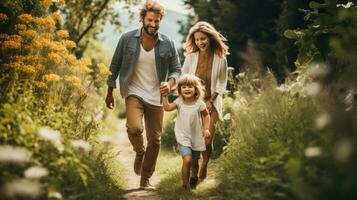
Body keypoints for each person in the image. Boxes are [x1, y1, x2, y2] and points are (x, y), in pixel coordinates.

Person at [105, 1, 181, 190]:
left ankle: (145, 178)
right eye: (149, 20)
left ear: (160, 21)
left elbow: (176, 69)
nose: (153, 24)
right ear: (142, 19)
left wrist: (169, 83)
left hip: (157, 96)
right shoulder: (127, 39)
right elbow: (114, 65)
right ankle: (140, 152)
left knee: (155, 140)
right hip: (133, 92)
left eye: (156, 21)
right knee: (134, 128)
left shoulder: (168, 43)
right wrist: (109, 90)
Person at [182, 21, 229, 181]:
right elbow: (184, 78)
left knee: (207, 139)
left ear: (210, 38)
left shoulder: (220, 58)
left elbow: (223, 82)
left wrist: (212, 99)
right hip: (193, 104)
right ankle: (193, 174)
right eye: (196, 39)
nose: (200, 42)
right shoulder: (191, 57)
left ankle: (205, 164)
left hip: (212, 104)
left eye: (203, 39)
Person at [161, 74, 211, 189]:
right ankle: (185, 184)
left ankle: (194, 177)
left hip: (196, 136)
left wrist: (206, 128)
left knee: (194, 162)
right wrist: (164, 97)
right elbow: (167, 108)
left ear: (196, 89)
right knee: (187, 160)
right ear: (179, 90)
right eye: (183, 87)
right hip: (182, 135)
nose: (187, 89)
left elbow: (206, 115)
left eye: (190, 86)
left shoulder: (199, 103)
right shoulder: (179, 102)